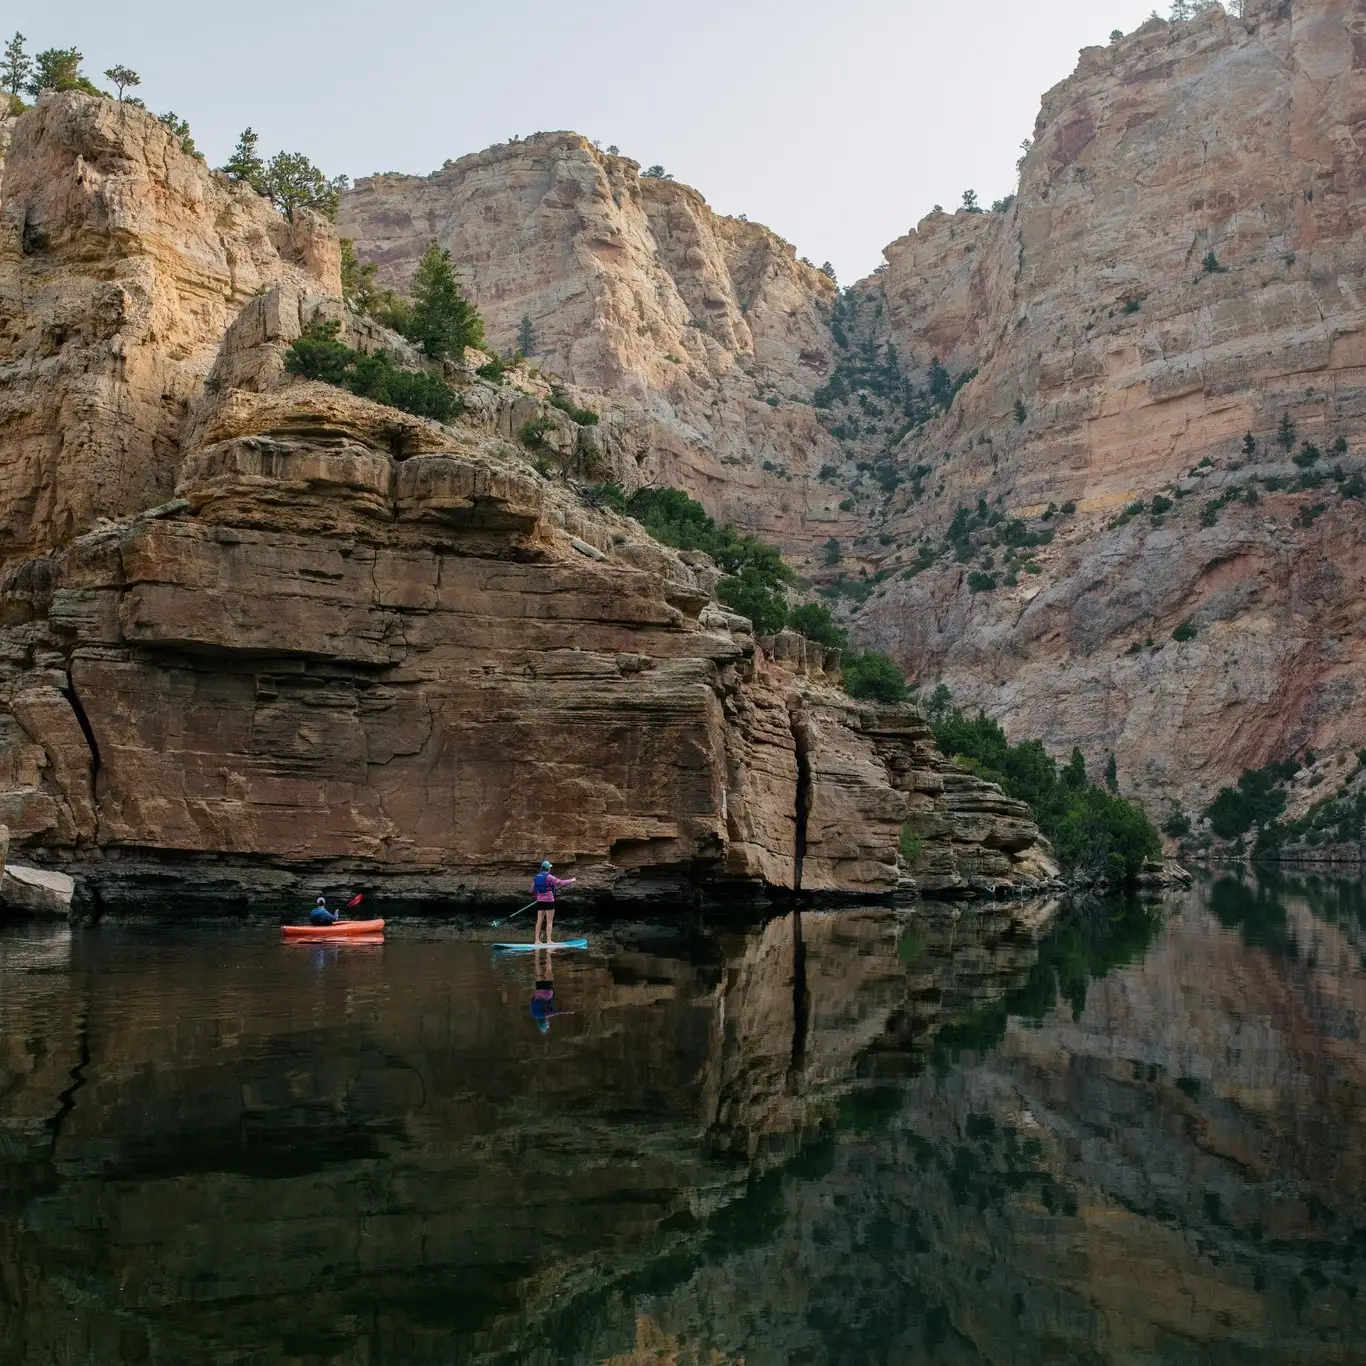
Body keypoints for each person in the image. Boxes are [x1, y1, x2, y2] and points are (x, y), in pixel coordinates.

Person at [531, 859, 575, 946]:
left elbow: (532, 889)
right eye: (549, 868)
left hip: (540, 901)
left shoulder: (536, 877)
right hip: (549, 901)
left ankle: (536, 941)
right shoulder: (549, 876)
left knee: (539, 921)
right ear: (548, 869)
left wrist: (539, 896)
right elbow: (560, 882)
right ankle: (549, 940)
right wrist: (572, 880)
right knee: (549, 921)